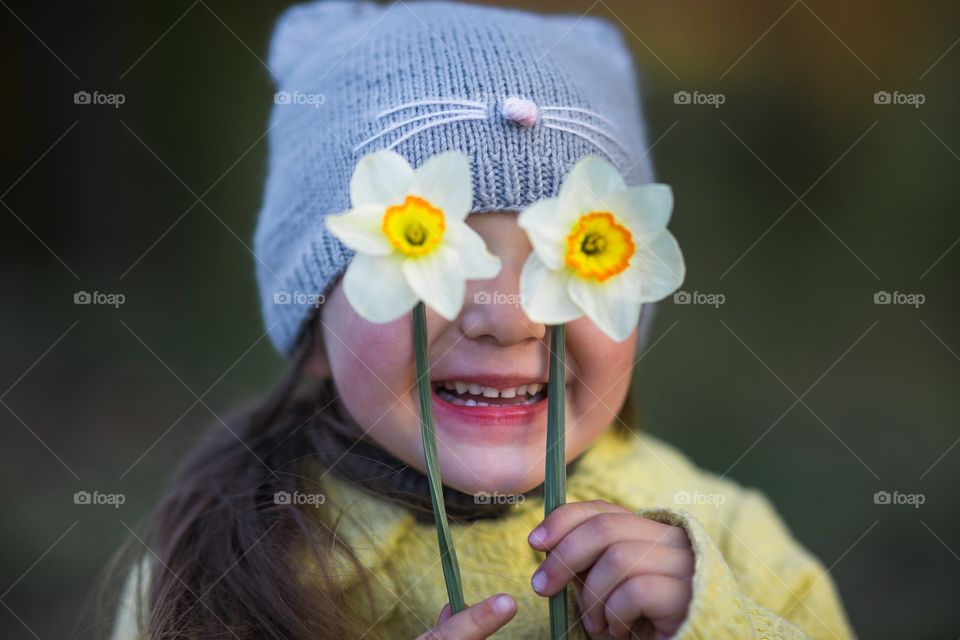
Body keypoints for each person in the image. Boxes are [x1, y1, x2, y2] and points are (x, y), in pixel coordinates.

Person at [108, 1, 856, 638]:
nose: (511, 321)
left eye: (561, 258)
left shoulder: (729, 543)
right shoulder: (227, 568)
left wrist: (714, 622)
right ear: (314, 331)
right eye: (436, 250)